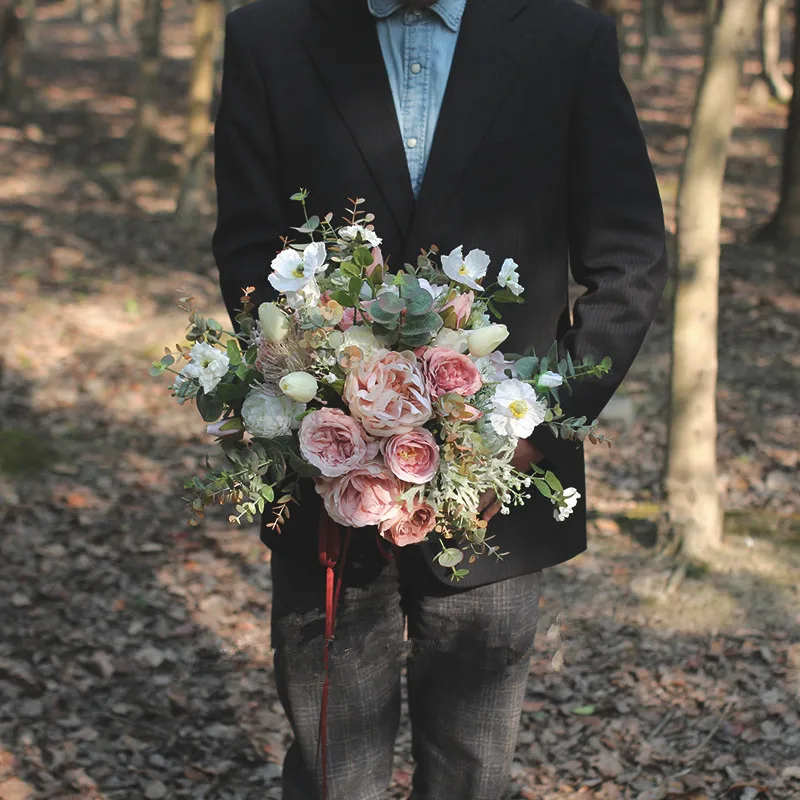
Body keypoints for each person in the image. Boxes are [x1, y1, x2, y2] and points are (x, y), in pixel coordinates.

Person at [212, 0, 667, 797]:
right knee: (331, 770)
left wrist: (535, 428)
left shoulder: (570, 36)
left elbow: (627, 259)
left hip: (498, 483)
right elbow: (250, 246)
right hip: (327, 471)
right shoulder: (269, 34)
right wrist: (319, 398)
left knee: (471, 771)